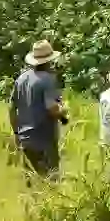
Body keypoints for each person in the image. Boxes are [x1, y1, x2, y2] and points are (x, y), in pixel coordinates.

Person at [9, 40, 67, 183]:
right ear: (50, 60)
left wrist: (16, 133)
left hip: (25, 138)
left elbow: (11, 108)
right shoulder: (48, 79)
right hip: (43, 137)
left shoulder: (21, 79)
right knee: (50, 181)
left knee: (32, 182)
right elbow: (51, 108)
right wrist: (63, 113)